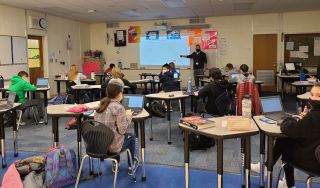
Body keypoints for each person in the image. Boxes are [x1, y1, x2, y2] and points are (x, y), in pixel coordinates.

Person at [251, 83, 320, 188]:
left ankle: (269, 168)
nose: (313, 98)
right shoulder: (313, 116)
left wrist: (289, 119)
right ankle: (286, 182)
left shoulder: (314, 116)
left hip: (313, 163)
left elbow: (289, 129)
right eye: (312, 94)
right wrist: (306, 118)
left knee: (284, 141)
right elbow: (309, 129)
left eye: (318, 95)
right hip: (315, 154)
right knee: (287, 141)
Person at [94, 82, 137, 174]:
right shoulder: (119, 108)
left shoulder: (100, 106)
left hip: (100, 146)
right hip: (113, 147)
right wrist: (128, 116)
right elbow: (123, 130)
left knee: (112, 134)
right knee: (131, 137)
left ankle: (116, 163)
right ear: (119, 94)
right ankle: (131, 165)